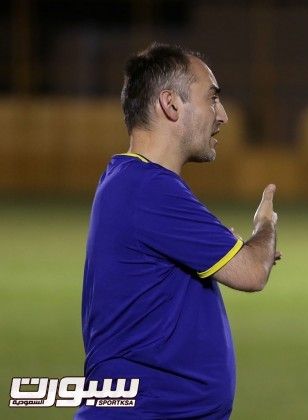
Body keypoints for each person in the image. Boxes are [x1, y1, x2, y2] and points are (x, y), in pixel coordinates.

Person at [77, 43, 280, 419]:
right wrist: (265, 226)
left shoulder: (132, 180)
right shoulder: (148, 188)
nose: (222, 115)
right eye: (212, 98)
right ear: (171, 104)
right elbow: (253, 271)